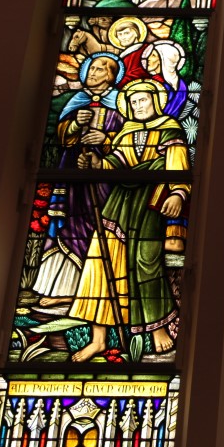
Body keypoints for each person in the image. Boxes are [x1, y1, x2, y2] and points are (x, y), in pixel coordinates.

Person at [68, 79, 189, 361]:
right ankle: (98, 338)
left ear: (155, 101)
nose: (138, 106)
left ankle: (157, 327)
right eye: (133, 102)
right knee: (100, 260)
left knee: (147, 261)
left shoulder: (170, 130)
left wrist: (178, 193)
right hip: (120, 203)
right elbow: (118, 163)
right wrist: (98, 165)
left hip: (152, 204)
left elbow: (178, 165)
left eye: (143, 100)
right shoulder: (127, 131)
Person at [31, 53, 125, 307]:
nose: (92, 73)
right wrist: (74, 125)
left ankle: (89, 289)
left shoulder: (120, 102)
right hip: (71, 169)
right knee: (64, 223)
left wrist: (104, 140)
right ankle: (57, 288)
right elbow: (62, 135)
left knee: (91, 223)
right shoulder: (77, 100)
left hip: (105, 175)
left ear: (111, 76)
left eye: (99, 70)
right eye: (90, 68)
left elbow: (128, 139)